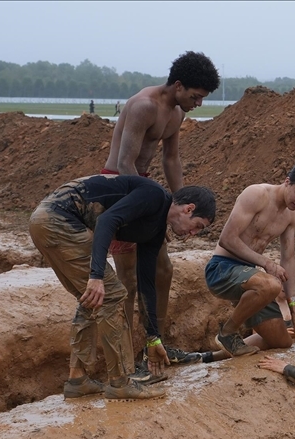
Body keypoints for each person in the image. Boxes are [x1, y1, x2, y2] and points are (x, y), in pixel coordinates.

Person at [28, 175, 215, 400]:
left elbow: (146, 282)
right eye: (197, 226)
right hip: (58, 219)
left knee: (91, 300)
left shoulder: (154, 230)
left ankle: (77, 380)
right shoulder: (155, 196)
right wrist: (96, 275)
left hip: (46, 220)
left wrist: (153, 338)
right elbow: (107, 220)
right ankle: (119, 382)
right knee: (113, 295)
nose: (193, 234)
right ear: (188, 209)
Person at [103, 51, 220, 367]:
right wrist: (145, 206)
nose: (198, 104)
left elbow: (171, 159)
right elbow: (125, 161)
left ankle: (157, 343)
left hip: (144, 186)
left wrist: (178, 200)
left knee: (163, 269)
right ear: (179, 85)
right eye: (195, 97)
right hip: (119, 187)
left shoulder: (176, 114)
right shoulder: (144, 106)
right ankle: (126, 358)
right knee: (127, 280)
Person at [205, 161, 295, 356]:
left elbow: (289, 258)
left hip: (252, 278)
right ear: (287, 182)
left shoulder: (292, 215)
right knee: (272, 285)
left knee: (281, 341)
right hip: (222, 268)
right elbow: (227, 239)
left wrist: (294, 305)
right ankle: (228, 331)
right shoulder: (257, 194)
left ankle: (212, 357)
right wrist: (266, 263)